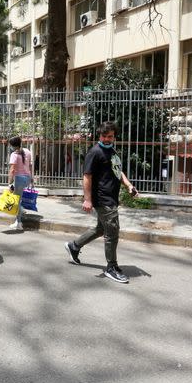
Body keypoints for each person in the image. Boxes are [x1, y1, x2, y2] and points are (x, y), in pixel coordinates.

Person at [64, 121, 138, 284]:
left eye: (110, 136)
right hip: (103, 198)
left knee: (100, 229)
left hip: (111, 197)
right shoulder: (95, 152)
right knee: (112, 231)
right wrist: (88, 199)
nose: (106, 139)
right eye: (104, 136)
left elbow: (118, 171)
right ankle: (111, 267)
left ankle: (74, 246)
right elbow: (87, 176)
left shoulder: (111, 150)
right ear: (99, 135)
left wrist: (129, 186)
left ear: (114, 137)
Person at [6, 136, 33, 231]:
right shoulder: (28, 151)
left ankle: (19, 223)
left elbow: (12, 170)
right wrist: (32, 178)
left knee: (17, 200)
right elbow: (30, 165)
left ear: (13, 145)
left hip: (19, 179)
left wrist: (9, 183)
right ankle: (20, 213)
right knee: (19, 199)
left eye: (10, 145)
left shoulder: (14, 154)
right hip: (27, 178)